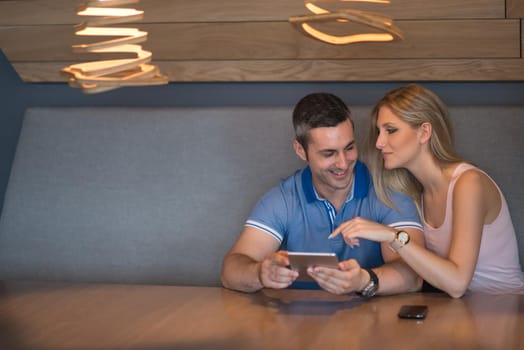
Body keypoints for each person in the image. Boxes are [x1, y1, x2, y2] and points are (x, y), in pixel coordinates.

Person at [221, 92, 424, 295]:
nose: (343, 163)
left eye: (349, 148)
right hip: (297, 322)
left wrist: (363, 280)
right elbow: (231, 270)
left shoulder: (386, 190)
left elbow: (413, 275)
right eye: (329, 153)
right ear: (301, 151)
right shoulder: (284, 198)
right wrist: (260, 273)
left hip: (371, 320)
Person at [331, 84, 524, 297]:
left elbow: (457, 283)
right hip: (460, 314)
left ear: (424, 132)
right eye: (379, 132)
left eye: (391, 130)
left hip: (505, 311)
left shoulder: (469, 183)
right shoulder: (417, 193)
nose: (379, 142)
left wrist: (390, 235)